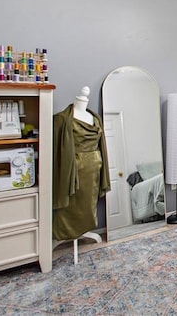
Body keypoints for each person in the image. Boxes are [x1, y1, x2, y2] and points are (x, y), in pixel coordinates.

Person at [52, 86, 110, 240]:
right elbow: (56, 151)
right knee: (71, 203)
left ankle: (85, 229)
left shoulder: (95, 118)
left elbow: (101, 146)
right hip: (72, 167)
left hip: (93, 167)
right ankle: (66, 232)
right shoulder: (61, 119)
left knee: (89, 203)